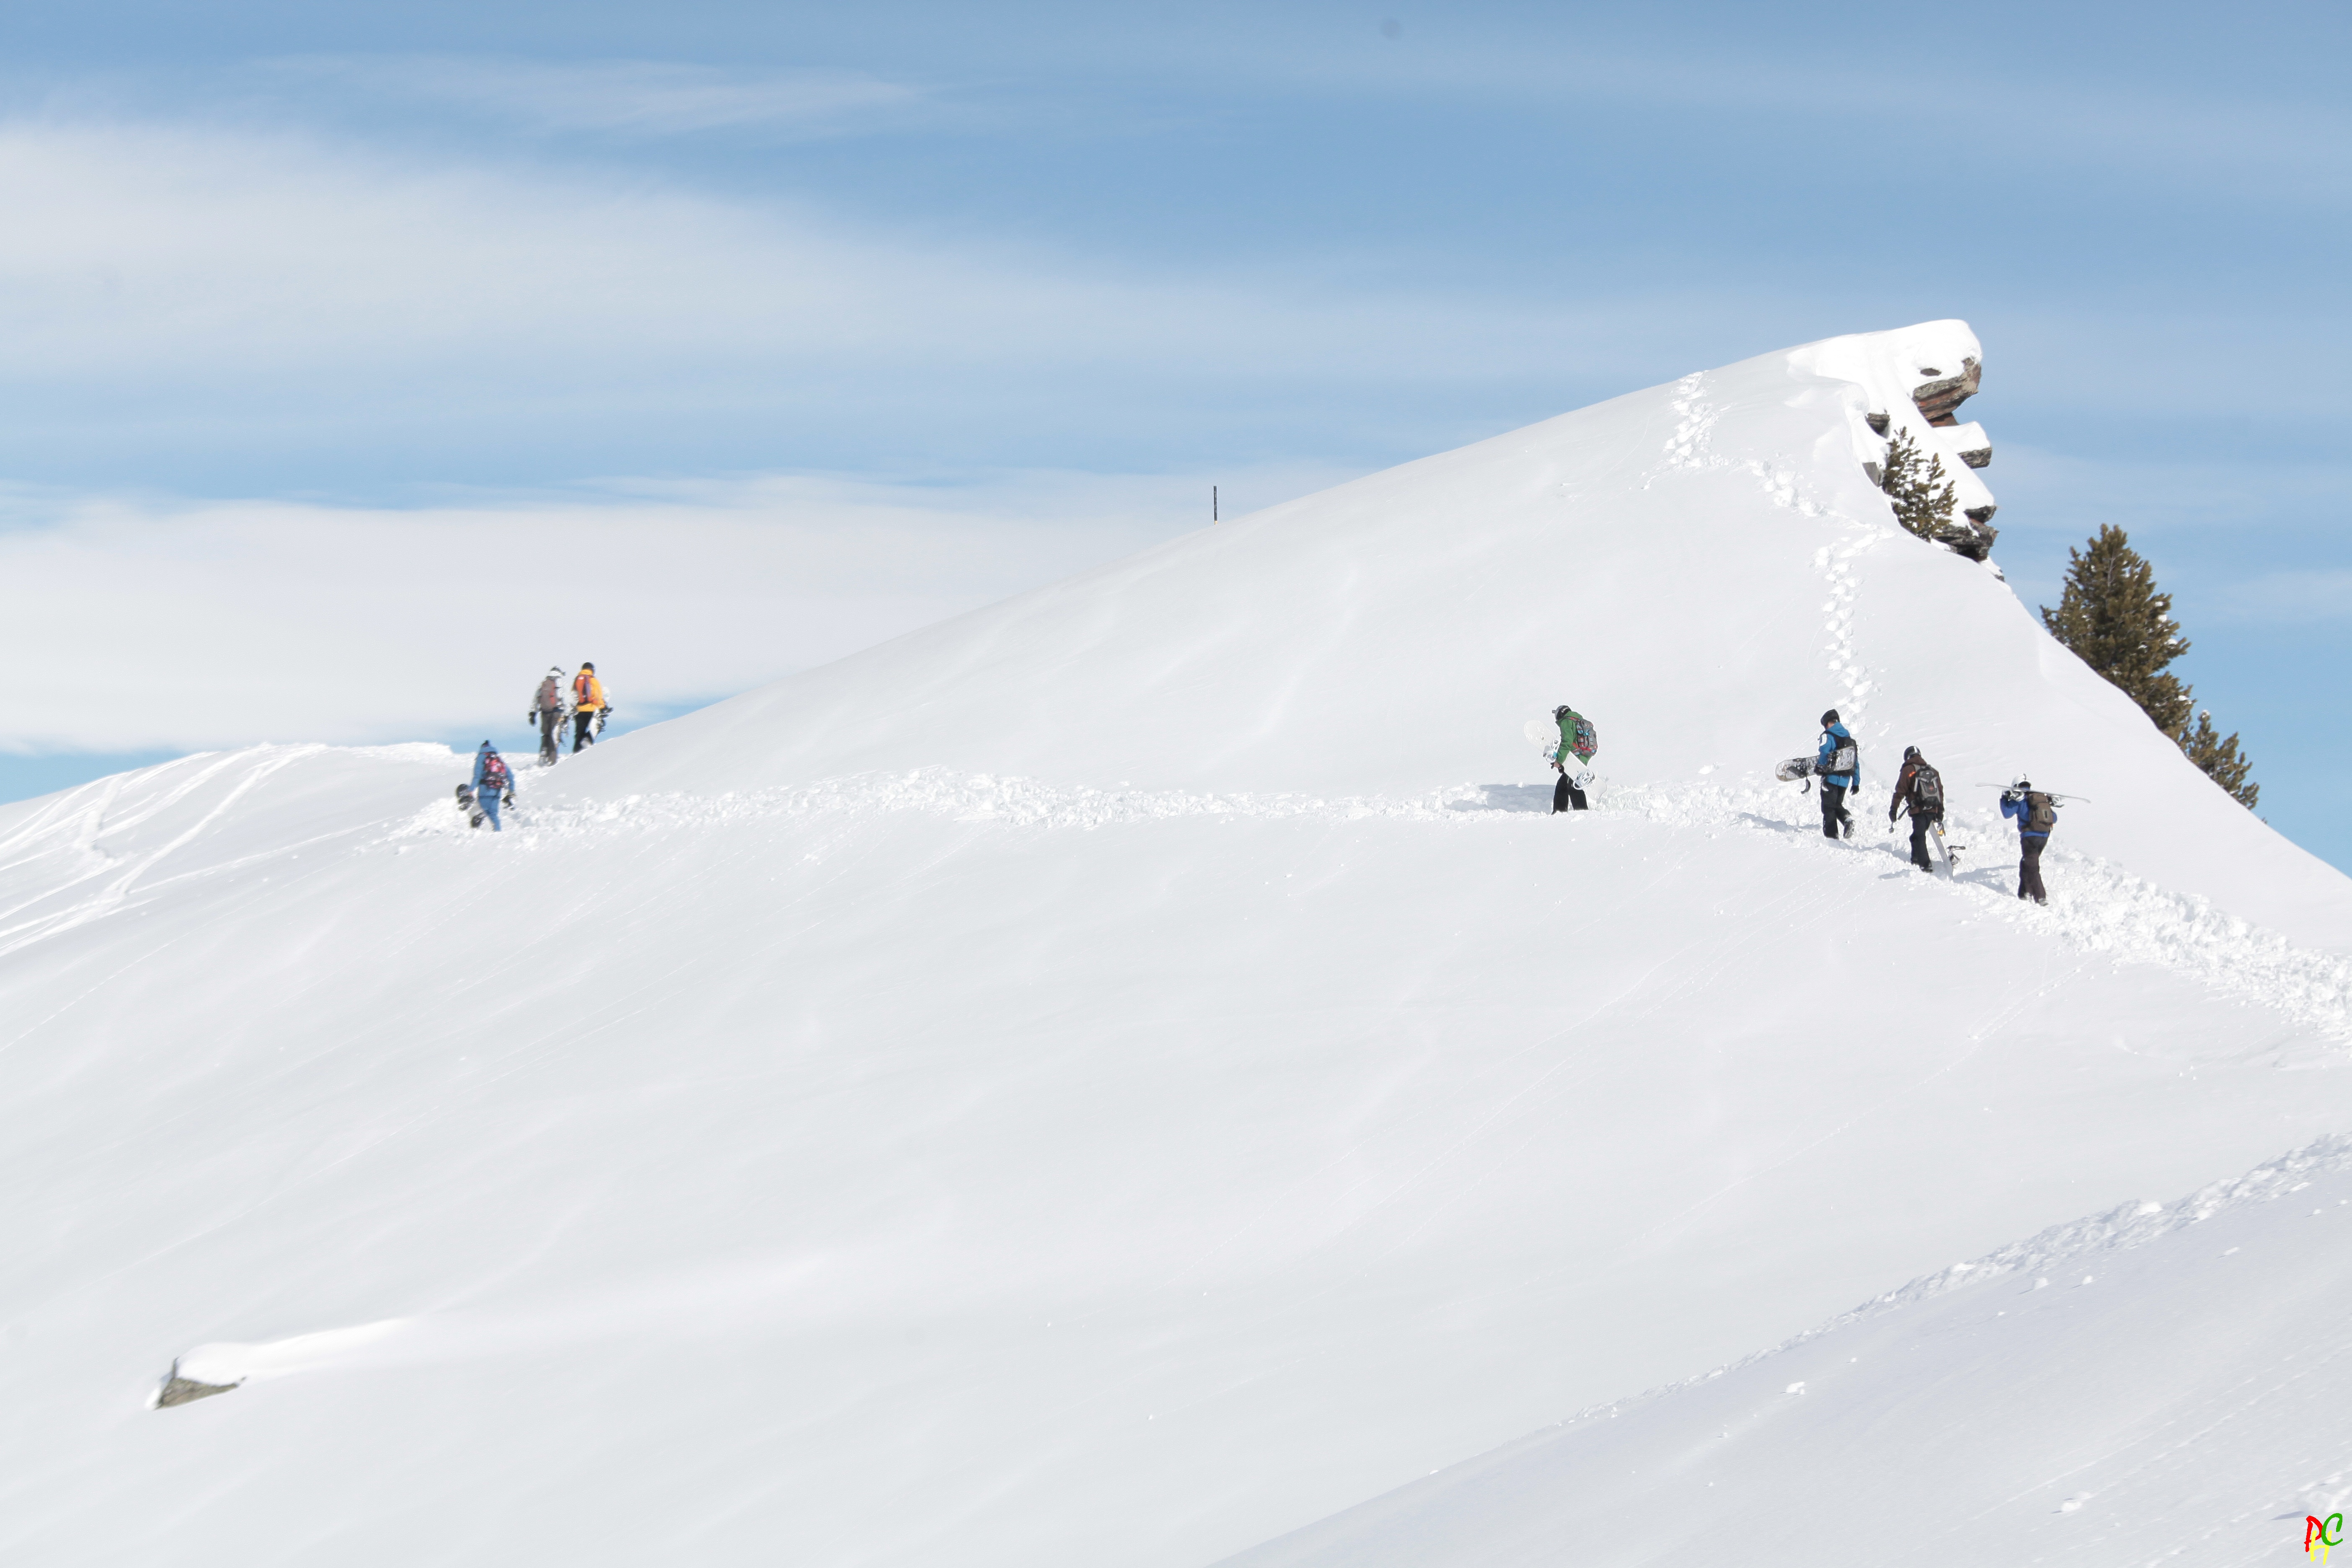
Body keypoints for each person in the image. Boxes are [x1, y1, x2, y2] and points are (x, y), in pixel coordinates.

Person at [2001, 778, 2056, 904]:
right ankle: (2025, 892)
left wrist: (2004, 799)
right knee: (2026, 862)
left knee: (2032, 867)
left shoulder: (2020, 799)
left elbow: (2007, 814)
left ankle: (2041, 897)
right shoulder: (2039, 799)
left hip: (2030, 836)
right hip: (2044, 836)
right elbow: (2055, 818)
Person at [1815, 709, 1858, 839]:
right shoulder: (1850, 740)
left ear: (1829, 723)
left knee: (1828, 808)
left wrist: (1820, 767)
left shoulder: (1828, 736)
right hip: (1845, 780)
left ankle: (1832, 838)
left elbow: (1824, 752)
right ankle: (1847, 819)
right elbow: (1856, 763)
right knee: (1837, 805)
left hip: (1831, 778)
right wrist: (1856, 783)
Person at [1549, 702, 1595, 812]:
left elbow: (1567, 742)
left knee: (1572, 784)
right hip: (1583, 755)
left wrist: (1559, 761)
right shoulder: (1578, 720)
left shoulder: (1566, 722)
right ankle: (1561, 811)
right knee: (1565, 784)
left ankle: (1580, 811)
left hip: (1577, 756)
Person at [471, 741, 515, 832]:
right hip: (498, 790)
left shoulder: (482, 757)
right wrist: (511, 790)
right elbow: (510, 776)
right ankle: (497, 833)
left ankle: (477, 834)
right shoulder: (498, 759)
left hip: (485, 790)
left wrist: (471, 789)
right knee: (493, 814)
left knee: (481, 812)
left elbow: (477, 776)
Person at [528, 667, 567, 766]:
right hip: (557, 712)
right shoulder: (560, 682)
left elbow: (536, 698)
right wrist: (567, 715)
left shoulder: (544, 683)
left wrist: (533, 713)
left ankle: (544, 751)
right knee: (554, 735)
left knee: (546, 733)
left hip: (544, 712)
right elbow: (566, 698)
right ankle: (552, 761)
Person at [570, 662, 606, 753]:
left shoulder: (577, 681)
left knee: (579, 733)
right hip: (592, 710)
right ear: (592, 670)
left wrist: (574, 709)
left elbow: (573, 696)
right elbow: (599, 696)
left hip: (579, 711)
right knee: (595, 728)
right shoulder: (593, 680)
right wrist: (602, 707)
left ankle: (576, 752)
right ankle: (587, 741)